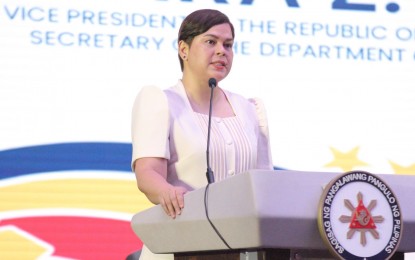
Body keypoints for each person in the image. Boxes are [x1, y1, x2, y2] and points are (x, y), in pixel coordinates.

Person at [131, 9, 273, 260]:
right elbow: (148, 172)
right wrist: (167, 191)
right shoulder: (161, 101)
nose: (222, 51)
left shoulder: (250, 109)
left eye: (228, 45)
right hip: (179, 242)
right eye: (211, 41)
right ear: (183, 49)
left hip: (241, 248)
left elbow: (265, 184)